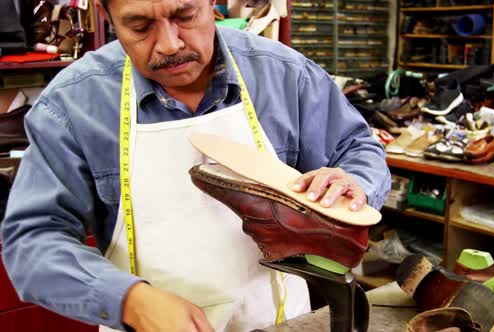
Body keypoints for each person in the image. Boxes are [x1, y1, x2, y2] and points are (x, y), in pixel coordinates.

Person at [0, 0, 391, 331]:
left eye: (185, 16)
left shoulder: (283, 75)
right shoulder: (74, 104)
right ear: (107, 17)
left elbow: (358, 148)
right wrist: (129, 301)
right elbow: (32, 242)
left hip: (278, 321)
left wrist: (350, 185)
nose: (169, 44)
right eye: (140, 26)